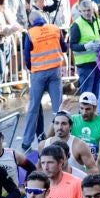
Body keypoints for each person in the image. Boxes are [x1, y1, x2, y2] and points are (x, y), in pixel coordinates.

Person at [24, 11, 67, 150]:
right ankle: (61, 137)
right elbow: (64, 47)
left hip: (38, 73)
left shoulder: (31, 33)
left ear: (31, 22)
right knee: (58, 108)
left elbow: (26, 57)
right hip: (55, 72)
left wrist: (33, 69)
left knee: (34, 108)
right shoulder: (55, 29)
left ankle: (26, 142)